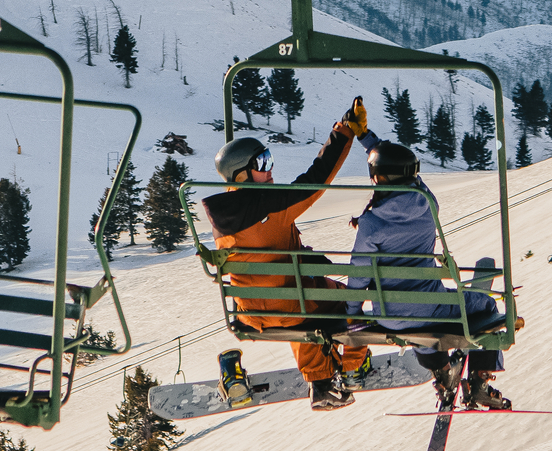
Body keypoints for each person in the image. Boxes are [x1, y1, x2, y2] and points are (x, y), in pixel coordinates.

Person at [204, 96, 372, 408]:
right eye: (261, 164)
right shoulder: (269, 206)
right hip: (292, 308)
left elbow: (270, 254)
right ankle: (350, 368)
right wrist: (345, 130)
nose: (269, 170)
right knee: (350, 301)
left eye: (269, 159)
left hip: (253, 314)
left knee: (297, 295)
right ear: (241, 173)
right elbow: (317, 179)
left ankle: (321, 381)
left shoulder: (223, 218)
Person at [347, 134, 511, 409]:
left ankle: (443, 371)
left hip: (389, 317)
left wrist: (352, 315)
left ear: (378, 178)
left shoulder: (371, 223)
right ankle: (479, 382)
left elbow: (359, 274)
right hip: (431, 309)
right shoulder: (428, 206)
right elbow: (417, 184)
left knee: (417, 325)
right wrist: (370, 140)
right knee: (486, 305)